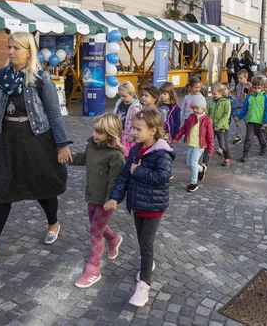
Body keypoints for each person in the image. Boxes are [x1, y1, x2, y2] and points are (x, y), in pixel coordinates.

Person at [0, 32, 72, 268]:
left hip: (36, 139)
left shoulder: (40, 78)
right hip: (8, 141)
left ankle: (53, 223)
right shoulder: (2, 77)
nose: (11, 51)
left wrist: (62, 145)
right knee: (0, 188)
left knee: (43, 185)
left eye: (17, 47)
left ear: (29, 51)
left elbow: (55, 114)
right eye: (9, 47)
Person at [104, 109, 174, 308]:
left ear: (152, 130)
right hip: (137, 205)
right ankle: (147, 264)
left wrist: (139, 170)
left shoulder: (162, 152)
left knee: (146, 244)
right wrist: (115, 198)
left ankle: (144, 285)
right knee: (142, 241)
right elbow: (125, 175)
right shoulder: (135, 150)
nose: (133, 132)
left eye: (138, 129)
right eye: (133, 128)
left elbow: (162, 177)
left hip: (153, 207)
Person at [70, 113, 126, 288]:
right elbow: (83, 158)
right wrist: (68, 158)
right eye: (94, 130)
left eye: (99, 133)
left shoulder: (115, 155)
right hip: (92, 196)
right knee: (96, 224)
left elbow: (115, 181)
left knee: (95, 230)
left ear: (110, 134)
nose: (95, 134)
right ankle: (114, 239)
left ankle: (93, 269)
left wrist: (112, 200)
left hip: (106, 201)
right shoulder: (92, 146)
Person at [173, 94, 214, 192]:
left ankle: (193, 183)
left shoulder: (207, 120)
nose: (195, 110)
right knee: (189, 163)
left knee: (193, 163)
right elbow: (183, 128)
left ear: (203, 108)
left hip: (199, 145)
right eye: (193, 108)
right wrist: (176, 137)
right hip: (190, 143)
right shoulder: (191, 117)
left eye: (197, 108)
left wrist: (210, 149)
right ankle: (202, 169)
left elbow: (210, 136)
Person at [237, 76, 267, 162]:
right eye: (255, 88)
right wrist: (239, 117)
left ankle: (264, 146)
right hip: (250, 121)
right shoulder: (249, 97)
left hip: (260, 121)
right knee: (248, 138)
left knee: (261, 136)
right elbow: (244, 109)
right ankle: (245, 153)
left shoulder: (264, 97)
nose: (257, 90)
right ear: (252, 87)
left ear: (262, 87)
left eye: (259, 88)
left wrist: (266, 120)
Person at [113, 81, 143, 156]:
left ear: (131, 94)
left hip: (128, 136)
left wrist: (133, 135)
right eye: (120, 95)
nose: (121, 98)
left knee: (128, 154)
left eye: (124, 96)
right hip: (118, 133)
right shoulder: (119, 102)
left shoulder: (135, 108)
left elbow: (138, 123)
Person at [208, 83, 232, 167]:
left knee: (222, 145)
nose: (213, 96)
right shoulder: (211, 102)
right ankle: (205, 160)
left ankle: (227, 157)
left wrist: (219, 125)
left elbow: (226, 115)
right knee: (208, 142)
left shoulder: (226, 102)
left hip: (221, 127)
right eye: (212, 94)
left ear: (221, 93)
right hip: (211, 126)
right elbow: (209, 113)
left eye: (215, 94)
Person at [232, 70, 252, 145]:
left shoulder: (249, 86)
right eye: (238, 78)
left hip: (245, 108)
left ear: (245, 77)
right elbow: (237, 95)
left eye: (241, 78)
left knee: (248, 122)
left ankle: (249, 135)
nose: (239, 79)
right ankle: (238, 136)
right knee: (237, 121)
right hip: (238, 106)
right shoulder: (238, 86)